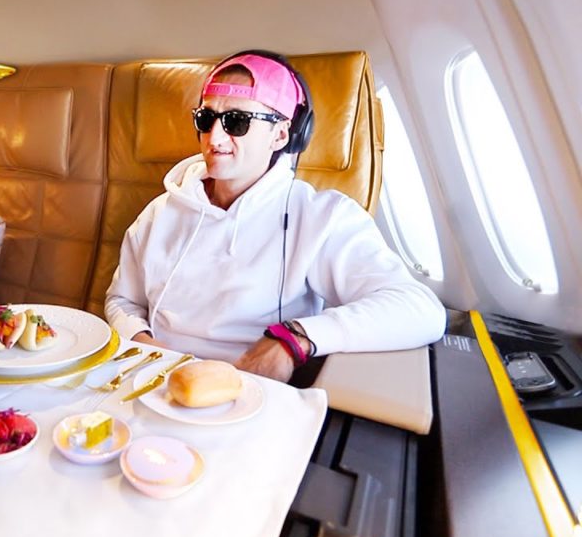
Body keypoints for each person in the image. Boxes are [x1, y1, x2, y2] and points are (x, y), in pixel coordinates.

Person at [105, 50, 446, 383]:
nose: (215, 137)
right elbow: (122, 299)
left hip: (255, 397)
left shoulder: (320, 217)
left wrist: (295, 338)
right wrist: (141, 342)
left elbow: (418, 309)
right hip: (153, 381)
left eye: (237, 121)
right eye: (206, 119)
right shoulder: (160, 212)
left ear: (282, 134)